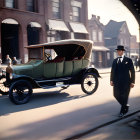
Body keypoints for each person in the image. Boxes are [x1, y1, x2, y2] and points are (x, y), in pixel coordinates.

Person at [110, 45, 135, 117]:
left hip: (126, 82)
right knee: (115, 94)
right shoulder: (115, 61)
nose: (118, 52)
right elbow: (112, 71)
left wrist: (132, 81)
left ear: (123, 51)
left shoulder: (128, 60)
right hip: (117, 82)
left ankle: (122, 111)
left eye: (119, 50)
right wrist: (111, 80)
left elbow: (132, 71)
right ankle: (125, 105)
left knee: (124, 97)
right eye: (117, 50)